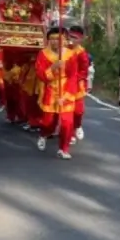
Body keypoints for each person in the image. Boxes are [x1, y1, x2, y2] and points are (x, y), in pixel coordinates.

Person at [35, 27, 78, 159]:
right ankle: (43, 134)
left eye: (58, 39)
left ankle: (63, 149)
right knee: (49, 122)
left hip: (66, 91)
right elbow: (40, 74)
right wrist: (53, 68)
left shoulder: (70, 55)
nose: (55, 42)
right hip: (50, 90)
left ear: (64, 40)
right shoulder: (43, 54)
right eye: (52, 39)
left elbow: (73, 76)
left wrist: (65, 96)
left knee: (67, 123)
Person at [67, 25, 89, 142]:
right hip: (64, 84)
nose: (72, 39)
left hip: (77, 85)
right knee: (67, 111)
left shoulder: (81, 53)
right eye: (70, 36)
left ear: (80, 39)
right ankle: (69, 134)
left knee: (78, 111)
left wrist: (75, 80)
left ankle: (78, 126)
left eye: (75, 37)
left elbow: (83, 71)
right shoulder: (64, 49)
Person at [20, 54, 41, 132]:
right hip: (29, 89)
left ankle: (36, 123)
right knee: (30, 107)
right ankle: (32, 122)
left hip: (39, 89)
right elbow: (22, 76)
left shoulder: (40, 65)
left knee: (37, 107)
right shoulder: (27, 66)